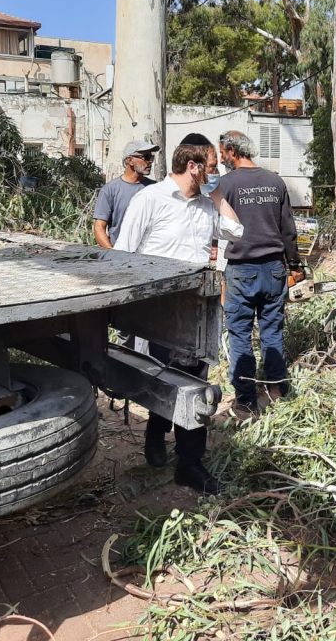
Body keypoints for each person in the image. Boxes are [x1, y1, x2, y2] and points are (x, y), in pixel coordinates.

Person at [113, 142, 242, 493]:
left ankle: (190, 463)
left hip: (196, 313)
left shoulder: (206, 206)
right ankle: (155, 434)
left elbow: (236, 231)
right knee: (161, 380)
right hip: (158, 313)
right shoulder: (150, 200)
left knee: (196, 386)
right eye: (212, 167)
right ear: (194, 166)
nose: (217, 173)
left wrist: (215, 195)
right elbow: (123, 256)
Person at [216, 130, 303, 415]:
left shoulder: (224, 185)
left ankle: (245, 400)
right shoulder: (274, 181)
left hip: (241, 270)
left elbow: (215, 231)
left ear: (232, 151)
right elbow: (288, 229)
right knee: (272, 331)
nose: (220, 159)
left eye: (222, 153)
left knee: (240, 334)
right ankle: (277, 388)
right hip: (274, 269)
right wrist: (295, 266)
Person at [92, 140, 158, 249]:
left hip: (150, 255)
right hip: (121, 255)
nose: (149, 162)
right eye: (145, 157)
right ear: (130, 160)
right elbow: (99, 227)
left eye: (151, 158)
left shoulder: (154, 188)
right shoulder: (110, 190)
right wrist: (113, 254)